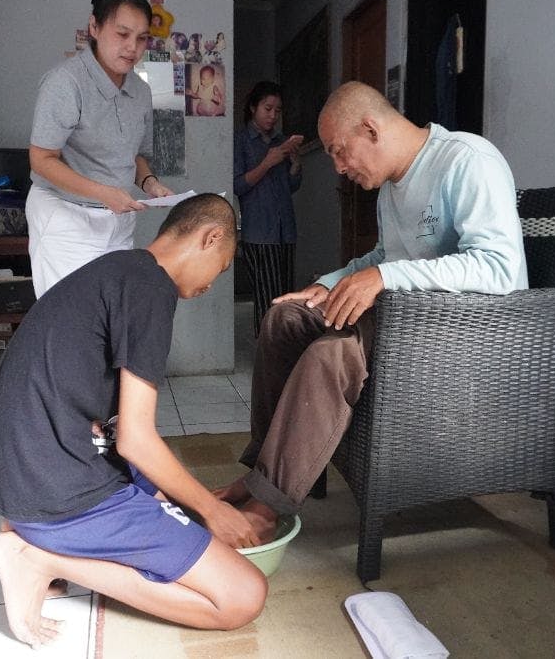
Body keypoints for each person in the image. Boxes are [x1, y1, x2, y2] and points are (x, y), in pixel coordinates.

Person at [216, 81, 529, 541]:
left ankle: (267, 507)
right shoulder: (390, 188)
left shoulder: (467, 161)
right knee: (282, 320)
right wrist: (323, 286)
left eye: (341, 152)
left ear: (370, 128)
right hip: (406, 318)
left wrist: (384, 279)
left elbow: (499, 268)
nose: (340, 169)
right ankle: (262, 470)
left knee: (332, 353)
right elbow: (383, 258)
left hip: (463, 333)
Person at [0, 194, 267, 648]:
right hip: (56, 494)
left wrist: (182, 503)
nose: (213, 283)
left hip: (25, 482)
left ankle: (38, 542)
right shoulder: (152, 289)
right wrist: (212, 511)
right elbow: (135, 440)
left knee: (173, 498)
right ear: (211, 238)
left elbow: (106, 424)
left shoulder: (121, 271)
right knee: (242, 597)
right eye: (222, 267)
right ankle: (38, 559)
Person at [26, 0, 174, 298]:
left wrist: (149, 183)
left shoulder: (141, 91)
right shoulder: (66, 83)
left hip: (118, 220)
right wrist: (104, 193)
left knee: (113, 315)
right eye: (122, 34)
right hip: (66, 219)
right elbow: (41, 159)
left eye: (141, 37)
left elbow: (135, 155)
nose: (132, 47)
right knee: (69, 319)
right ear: (94, 26)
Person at [232, 81, 303, 336]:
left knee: (286, 296)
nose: (273, 115)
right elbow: (238, 185)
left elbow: (290, 186)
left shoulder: (281, 141)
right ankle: (266, 357)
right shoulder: (241, 140)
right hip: (259, 232)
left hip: (286, 230)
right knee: (265, 298)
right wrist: (268, 162)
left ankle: (284, 351)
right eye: (267, 108)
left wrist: (294, 164)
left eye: (277, 110)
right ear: (253, 107)